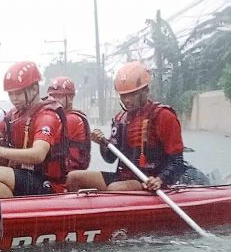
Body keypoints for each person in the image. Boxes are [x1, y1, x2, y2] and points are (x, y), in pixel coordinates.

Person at [66, 61, 185, 192]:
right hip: (123, 177)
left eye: (132, 94)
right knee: (73, 177)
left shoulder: (163, 116)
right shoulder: (120, 119)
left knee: (114, 188)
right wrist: (102, 143)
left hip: (148, 180)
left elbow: (177, 161)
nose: (127, 100)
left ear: (145, 91)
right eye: (123, 95)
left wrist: (160, 179)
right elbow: (110, 159)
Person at [0, 61, 66, 198]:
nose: (14, 99)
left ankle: (10, 217)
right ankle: (0, 211)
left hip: (46, 182)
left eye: (18, 93)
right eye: (11, 94)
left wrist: (0, 151)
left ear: (34, 89)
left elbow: (38, 154)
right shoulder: (14, 114)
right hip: (26, 176)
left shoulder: (46, 116)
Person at [46, 76, 91, 178]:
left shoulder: (72, 119)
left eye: (59, 96)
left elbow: (46, 138)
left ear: (70, 98)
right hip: (55, 175)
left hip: (64, 178)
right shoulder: (56, 117)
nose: (54, 100)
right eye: (53, 96)